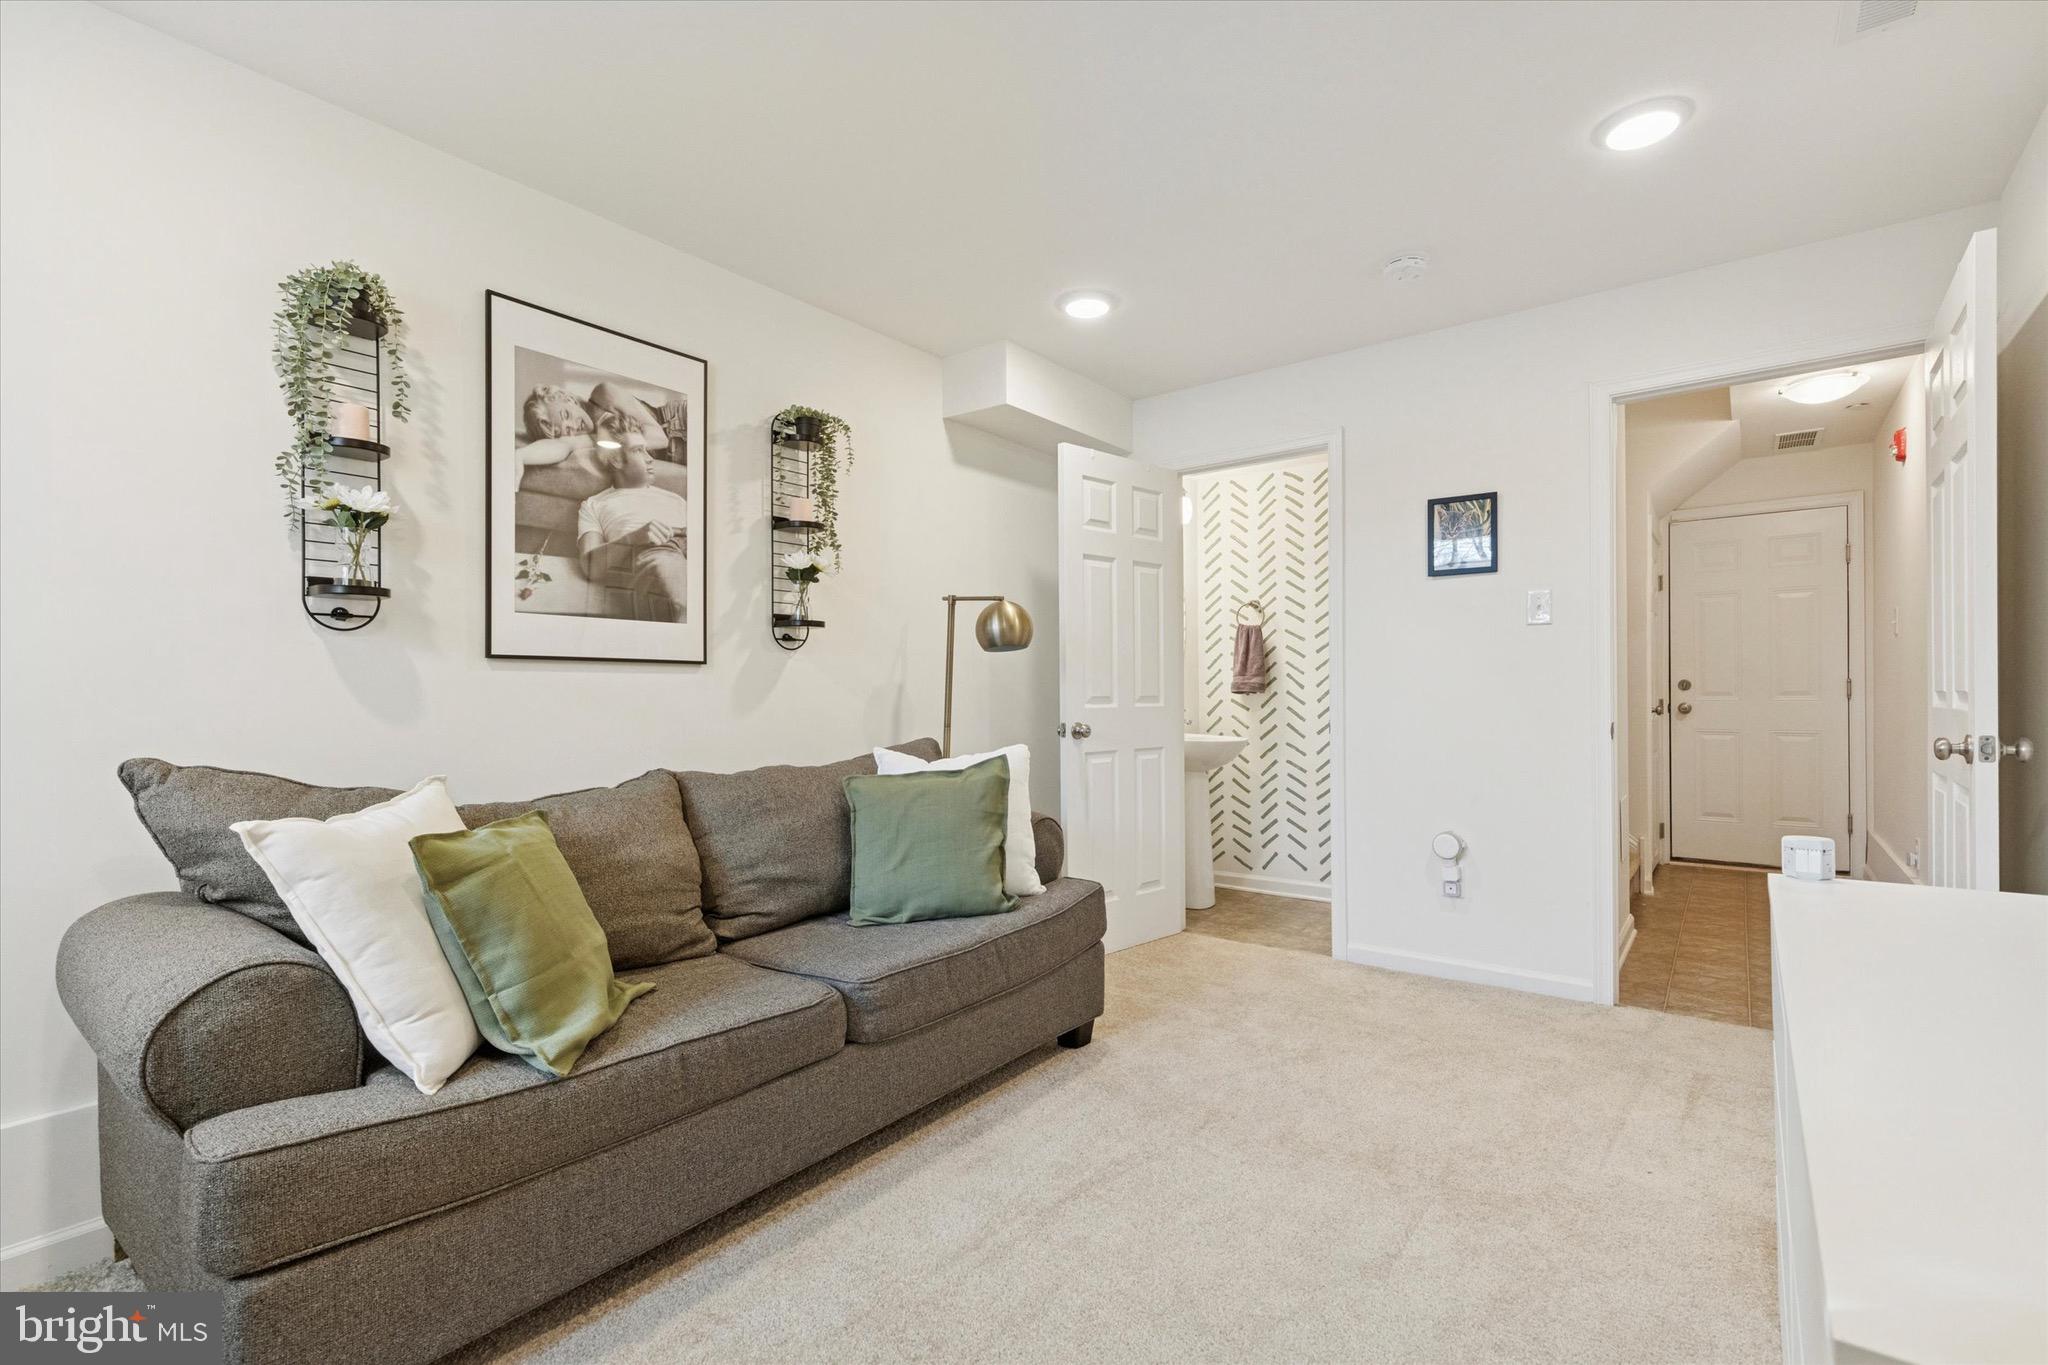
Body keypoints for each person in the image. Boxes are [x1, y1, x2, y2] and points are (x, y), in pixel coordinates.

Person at [574, 425, 690, 622]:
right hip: (654, 551)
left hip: (693, 550)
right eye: (638, 450)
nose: (650, 458)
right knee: (684, 605)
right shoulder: (595, 504)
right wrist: (633, 537)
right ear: (616, 459)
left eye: (647, 450)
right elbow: (590, 566)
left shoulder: (676, 499)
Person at [517, 382, 683, 468]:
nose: (574, 427)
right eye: (567, 430)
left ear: (568, 399)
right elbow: (560, 445)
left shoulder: (603, 394)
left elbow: (659, 438)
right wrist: (519, 456)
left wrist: (600, 440)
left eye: (566, 414)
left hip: (683, 423)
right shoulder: (588, 438)